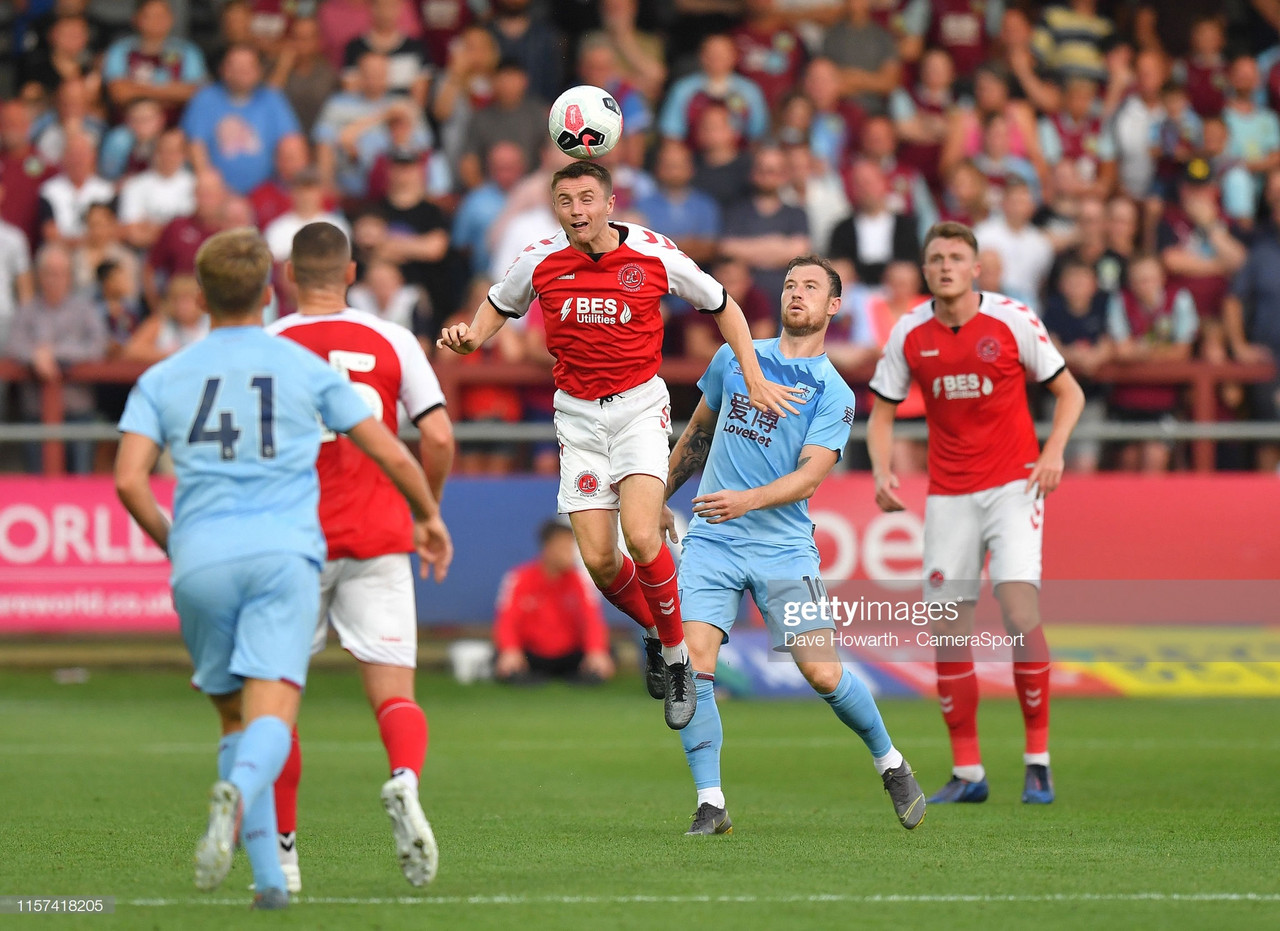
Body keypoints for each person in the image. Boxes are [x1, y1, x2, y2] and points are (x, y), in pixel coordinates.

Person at [114, 228, 451, 908]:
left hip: (207, 553)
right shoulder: (321, 362)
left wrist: (175, 542)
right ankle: (339, 785)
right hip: (297, 549)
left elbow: (128, 480)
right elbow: (411, 444)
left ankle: (276, 872)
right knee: (314, 701)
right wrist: (429, 515)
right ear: (268, 288)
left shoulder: (167, 373)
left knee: (237, 716)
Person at [438, 160, 804, 730]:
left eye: (588, 199)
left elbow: (723, 305)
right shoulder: (540, 259)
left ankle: (679, 660)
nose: (578, 211)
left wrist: (752, 376)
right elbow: (498, 304)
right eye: (566, 201)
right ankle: (660, 632)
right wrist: (470, 336)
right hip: (577, 418)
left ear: (610, 204)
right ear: (555, 208)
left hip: (638, 409)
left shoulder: (655, 253)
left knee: (640, 533)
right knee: (602, 561)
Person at [662, 253, 926, 836]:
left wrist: (745, 500)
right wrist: (662, 494)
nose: (796, 293)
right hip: (712, 540)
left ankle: (891, 762)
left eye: (810, 286)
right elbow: (698, 434)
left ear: (834, 306)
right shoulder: (736, 357)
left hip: (783, 549)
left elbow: (809, 479)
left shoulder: (834, 393)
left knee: (824, 675)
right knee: (694, 664)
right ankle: (711, 803)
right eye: (788, 285)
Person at [867, 221, 1085, 806]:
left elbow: (1070, 391)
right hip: (949, 496)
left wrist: (1054, 451)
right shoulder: (910, 331)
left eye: (955, 258)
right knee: (947, 626)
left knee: (1018, 610)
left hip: (1014, 487)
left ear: (975, 269)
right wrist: (883, 468)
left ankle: (1037, 760)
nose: (944, 266)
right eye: (935, 257)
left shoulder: (1013, 320)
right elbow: (882, 409)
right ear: (926, 269)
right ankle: (968, 772)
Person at [267, 221, 455, 891]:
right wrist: (425, 511)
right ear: (350, 274)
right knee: (393, 695)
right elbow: (436, 434)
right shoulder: (391, 338)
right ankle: (403, 778)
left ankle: (284, 856)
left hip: (292, 541)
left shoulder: (268, 344)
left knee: (277, 700)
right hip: (377, 533)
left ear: (289, 275)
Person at [493, 518, 616, 685]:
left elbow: (592, 620)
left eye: (571, 547)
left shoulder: (580, 580)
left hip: (570, 654)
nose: (570, 553)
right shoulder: (519, 578)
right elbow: (507, 620)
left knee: (606, 653)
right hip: (532, 655)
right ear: (547, 548)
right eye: (563, 547)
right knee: (502, 657)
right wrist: (510, 650)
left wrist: (596, 651)